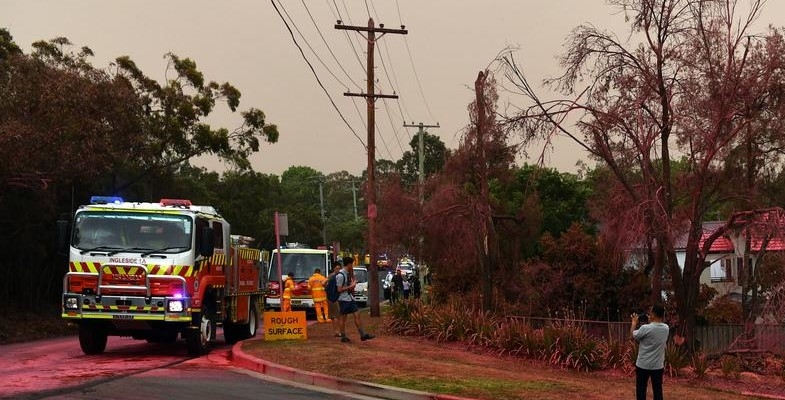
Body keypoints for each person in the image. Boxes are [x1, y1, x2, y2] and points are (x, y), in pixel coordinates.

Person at [631, 304, 669, 400]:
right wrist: (651, 322)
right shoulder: (666, 328)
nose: (649, 313)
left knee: (641, 391)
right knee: (658, 391)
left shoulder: (645, 328)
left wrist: (634, 323)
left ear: (653, 314)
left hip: (643, 365)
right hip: (657, 366)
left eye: (651, 312)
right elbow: (655, 330)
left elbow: (633, 335)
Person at [336, 256, 375, 342]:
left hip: (350, 298)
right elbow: (339, 289)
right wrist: (351, 286)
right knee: (343, 318)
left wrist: (352, 283)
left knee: (357, 315)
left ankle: (363, 334)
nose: (352, 266)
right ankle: (343, 336)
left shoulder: (348, 273)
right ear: (349, 264)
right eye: (352, 264)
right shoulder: (341, 275)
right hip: (343, 299)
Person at [326, 262, 342, 337]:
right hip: (333, 298)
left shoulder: (337, 276)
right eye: (337, 269)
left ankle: (336, 331)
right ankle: (337, 331)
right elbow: (323, 283)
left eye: (339, 269)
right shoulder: (332, 276)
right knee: (336, 315)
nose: (338, 270)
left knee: (335, 316)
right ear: (334, 269)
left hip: (333, 297)